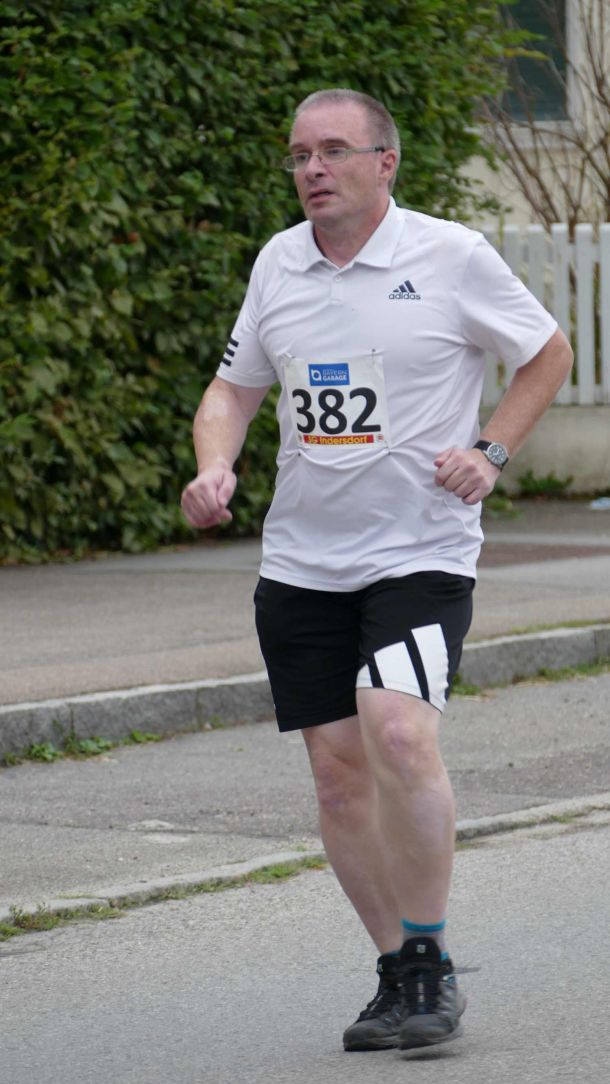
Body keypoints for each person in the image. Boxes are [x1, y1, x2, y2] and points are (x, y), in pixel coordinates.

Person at [181, 88, 573, 1053]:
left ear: (384, 161)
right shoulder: (279, 262)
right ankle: (397, 970)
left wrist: (491, 451)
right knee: (337, 776)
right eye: (299, 155)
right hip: (303, 562)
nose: (313, 169)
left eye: (333, 151)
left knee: (396, 729)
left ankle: (432, 957)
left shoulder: (449, 256)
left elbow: (547, 353)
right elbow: (232, 388)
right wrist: (214, 463)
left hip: (419, 552)